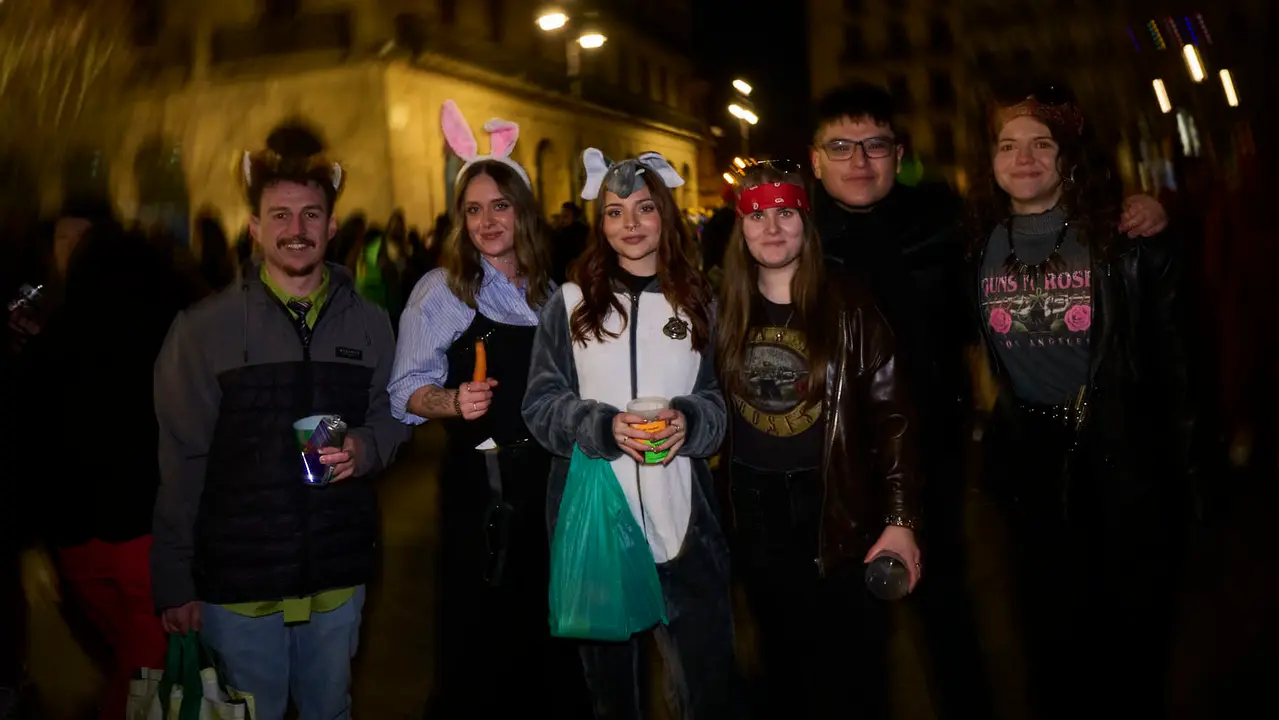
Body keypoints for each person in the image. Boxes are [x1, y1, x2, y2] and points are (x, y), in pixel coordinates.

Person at [808, 82, 1171, 716]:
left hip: (937, 459)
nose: (859, 160)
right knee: (844, 642)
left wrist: (1145, 208)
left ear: (899, 153)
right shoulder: (790, 235)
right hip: (829, 466)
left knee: (956, 623)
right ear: (815, 159)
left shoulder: (950, 223)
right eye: (840, 146)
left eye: (875, 144)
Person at [150, 127, 406, 720]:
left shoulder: (369, 323)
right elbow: (180, 462)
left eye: (311, 215)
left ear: (332, 227)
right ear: (255, 229)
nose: (297, 230)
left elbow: (394, 416)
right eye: (280, 215)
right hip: (239, 586)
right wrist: (174, 580)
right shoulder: (203, 330)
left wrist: (365, 449)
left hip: (337, 578)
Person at [967, 80, 1196, 720]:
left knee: (1132, 640)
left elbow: (1180, 364)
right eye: (1008, 144)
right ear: (991, 159)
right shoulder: (975, 243)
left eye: (1042, 143)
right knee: (1048, 644)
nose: (1025, 158)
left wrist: (1191, 478)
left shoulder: (1125, 235)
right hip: (1032, 468)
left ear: (1069, 154)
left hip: (1122, 459)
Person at [387, 100, 589, 718]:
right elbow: (404, 395)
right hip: (485, 492)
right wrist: (452, 399)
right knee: (482, 646)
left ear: (521, 211)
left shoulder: (557, 295)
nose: (486, 220)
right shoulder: (443, 291)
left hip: (552, 493)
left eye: (498, 205)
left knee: (552, 642)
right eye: (473, 209)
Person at [522, 150, 734, 719]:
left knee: (706, 687)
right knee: (614, 699)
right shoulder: (568, 304)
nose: (630, 225)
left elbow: (721, 403)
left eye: (644, 208)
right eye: (615, 212)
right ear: (600, 222)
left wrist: (691, 420)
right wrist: (600, 426)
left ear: (665, 214)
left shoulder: (701, 302)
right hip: (598, 526)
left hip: (684, 526)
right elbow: (540, 405)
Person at [715, 163, 921, 719]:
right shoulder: (723, 309)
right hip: (753, 510)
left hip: (835, 510)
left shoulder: (850, 305)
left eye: (786, 213)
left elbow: (894, 419)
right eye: (757, 215)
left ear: (807, 222)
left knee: (852, 673)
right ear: (741, 227)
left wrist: (900, 522)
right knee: (782, 667)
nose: (772, 227)